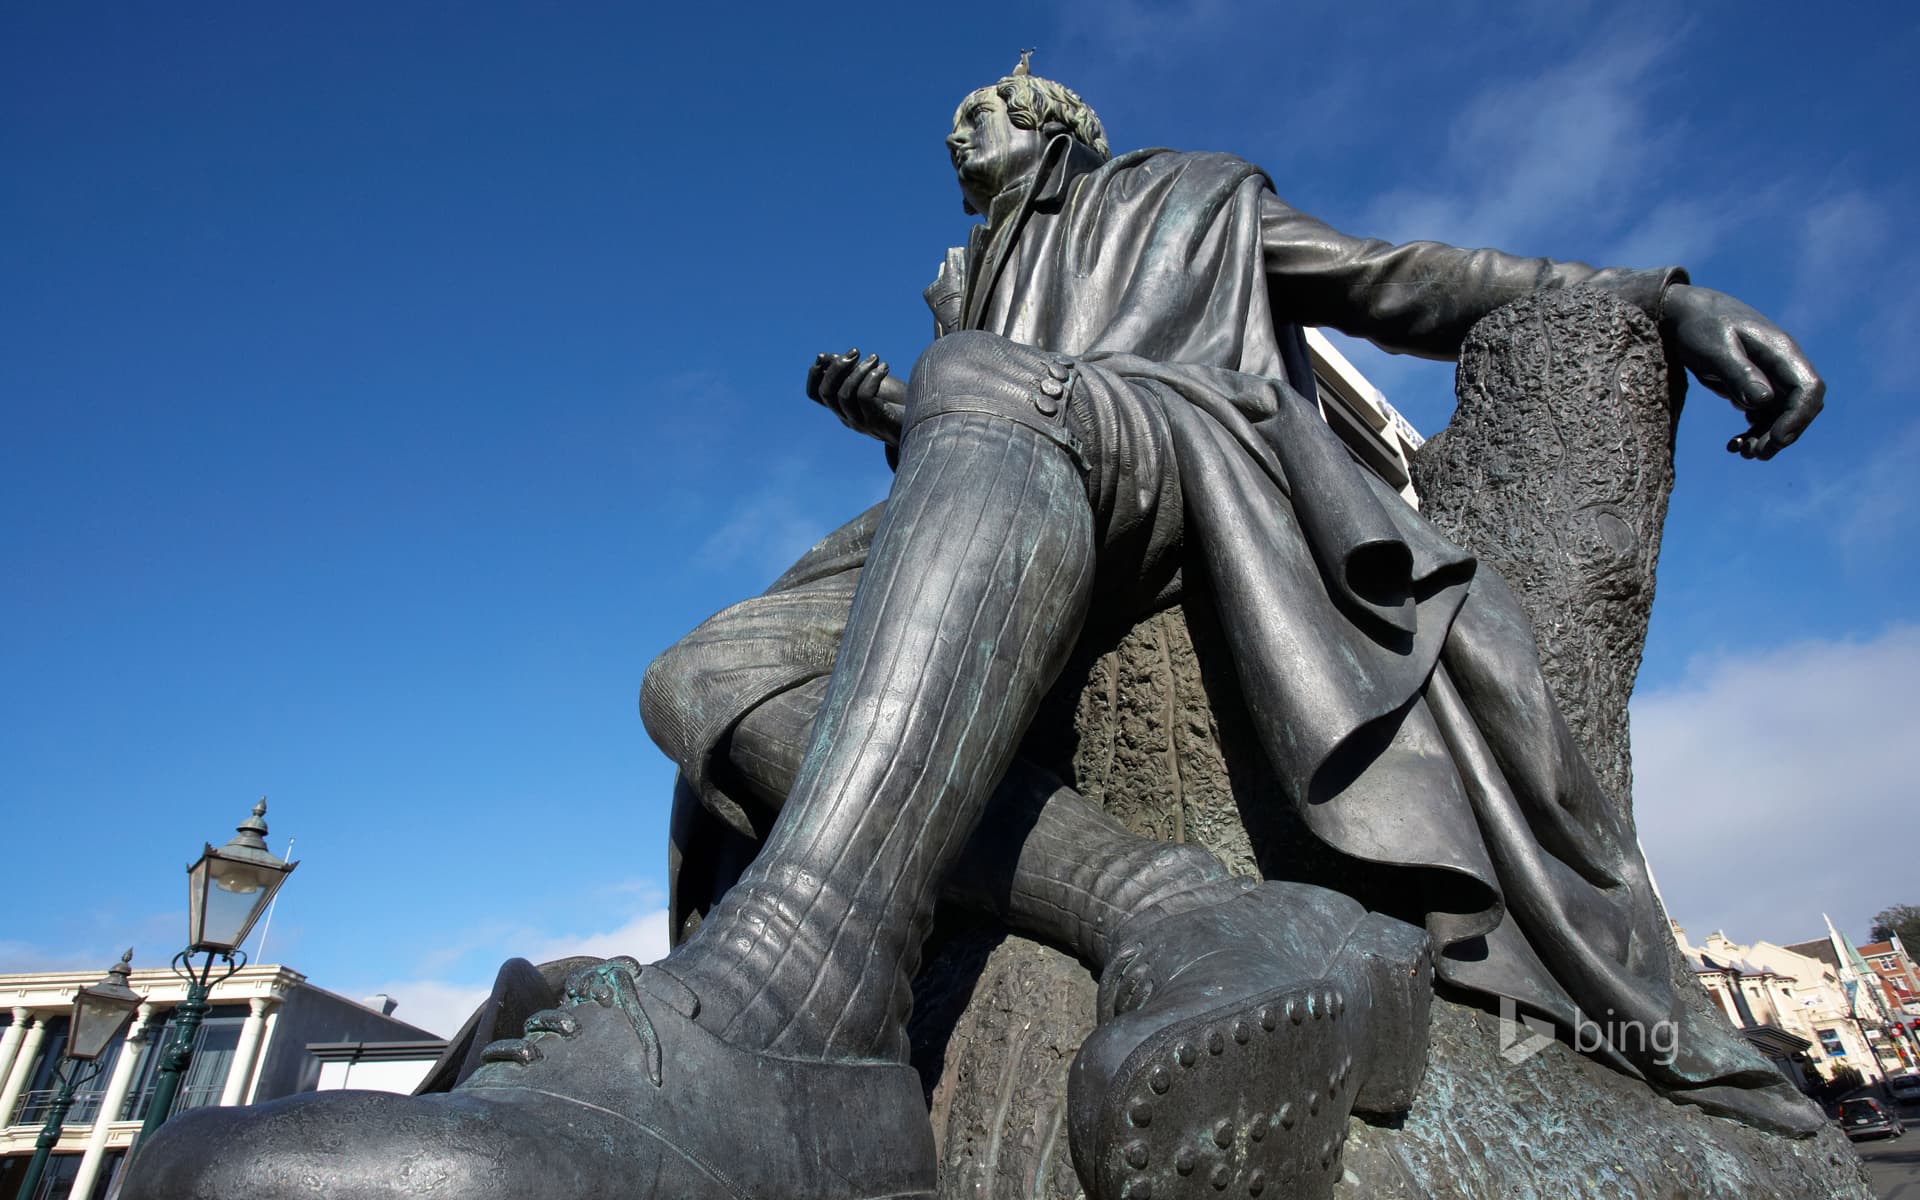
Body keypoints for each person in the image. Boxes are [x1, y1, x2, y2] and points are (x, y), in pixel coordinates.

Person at [125, 62, 1825, 1200]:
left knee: (985, 384)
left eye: (983, 138)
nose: (962, 162)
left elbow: (1404, 280)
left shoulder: (1193, 194)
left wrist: (1659, 294)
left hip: (1189, 450)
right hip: (1021, 453)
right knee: (703, 674)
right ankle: (1179, 910)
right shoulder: (967, 290)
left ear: (1059, 133)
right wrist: (908, 412)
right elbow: (982, 470)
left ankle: (795, 1017)